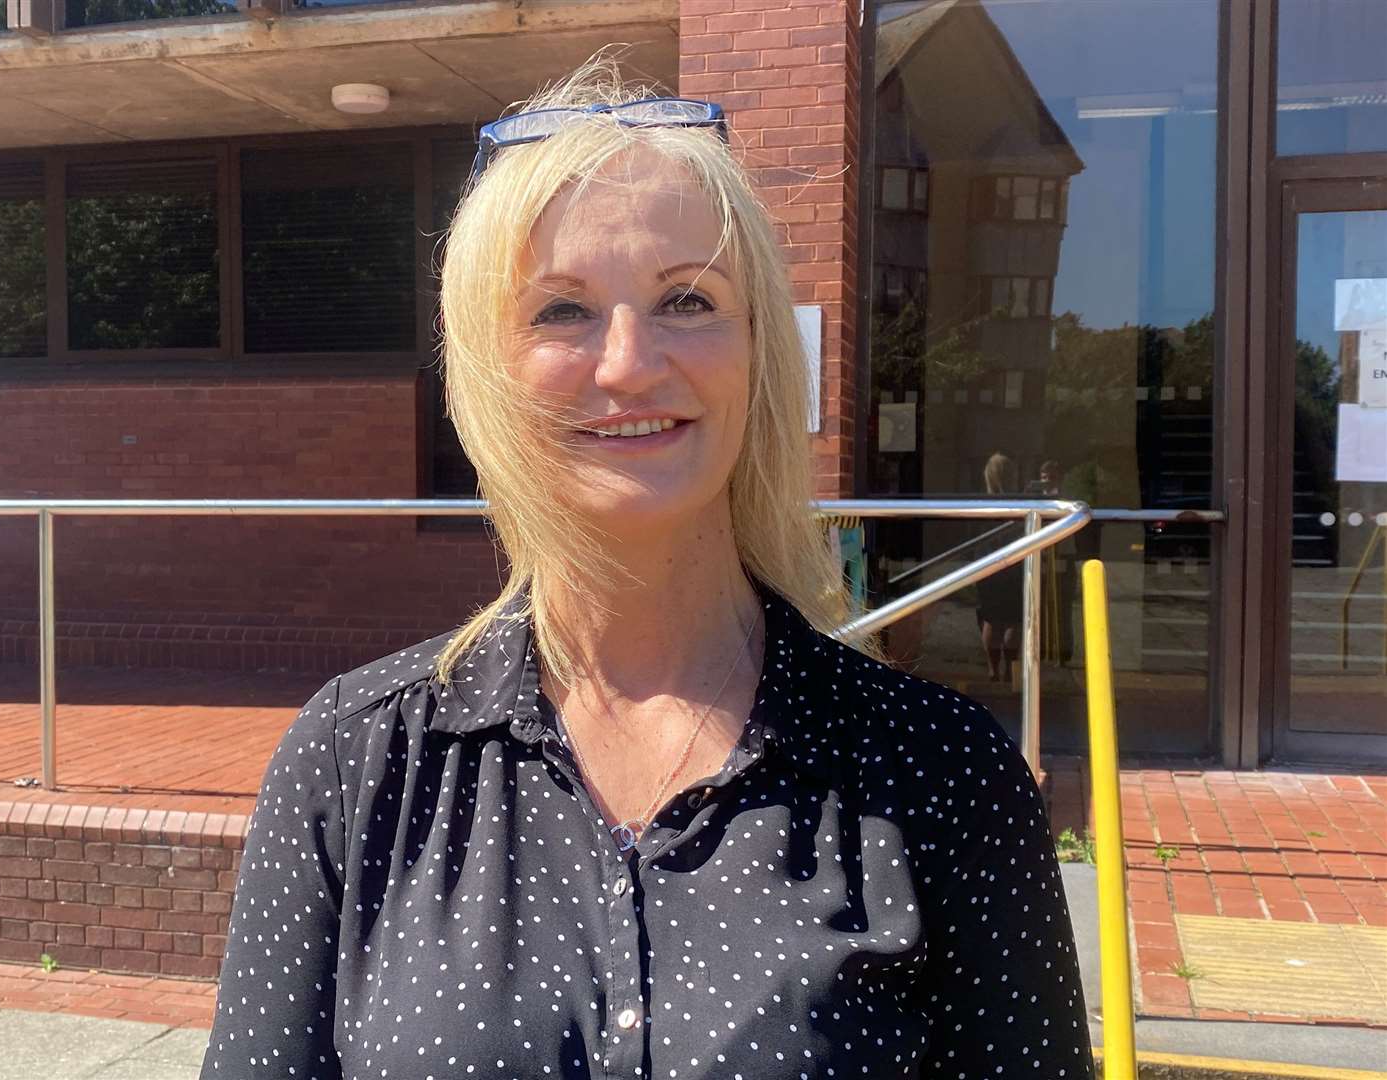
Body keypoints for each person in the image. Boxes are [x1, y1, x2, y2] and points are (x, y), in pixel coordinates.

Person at [202, 55, 1092, 1080]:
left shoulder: (944, 777)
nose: (626, 363)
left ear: (756, 348)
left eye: (686, 299)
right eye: (559, 311)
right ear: (486, 371)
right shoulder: (353, 764)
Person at [975, 451, 1025, 681]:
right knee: (1013, 618)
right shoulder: (1020, 503)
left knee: (991, 618)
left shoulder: (981, 505)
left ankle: (993, 669)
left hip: (988, 564)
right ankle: (1010, 669)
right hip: (1015, 563)